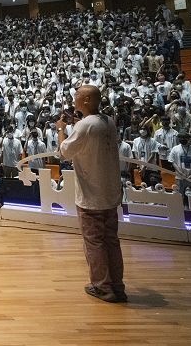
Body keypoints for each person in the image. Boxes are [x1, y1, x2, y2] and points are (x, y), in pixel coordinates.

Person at [60, 85, 126, 303]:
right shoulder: (108, 122)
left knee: (94, 243)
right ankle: (117, 285)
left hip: (91, 196)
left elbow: (65, 152)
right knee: (111, 241)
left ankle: (103, 287)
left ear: (87, 100)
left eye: (78, 96)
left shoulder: (85, 125)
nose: (74, 98)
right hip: (110, 193)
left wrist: (61, 128)